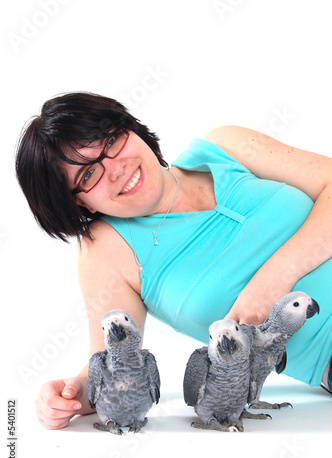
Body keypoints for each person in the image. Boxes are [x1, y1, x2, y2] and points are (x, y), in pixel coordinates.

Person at [16, 92, 332, 430]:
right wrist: (74, 393)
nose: (115, 168)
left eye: (111, 141)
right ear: (81, 205)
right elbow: (113, 366)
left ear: (132, 129)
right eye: (88, 175)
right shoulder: (108, 252)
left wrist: (273, 280)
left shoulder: (224, 147)